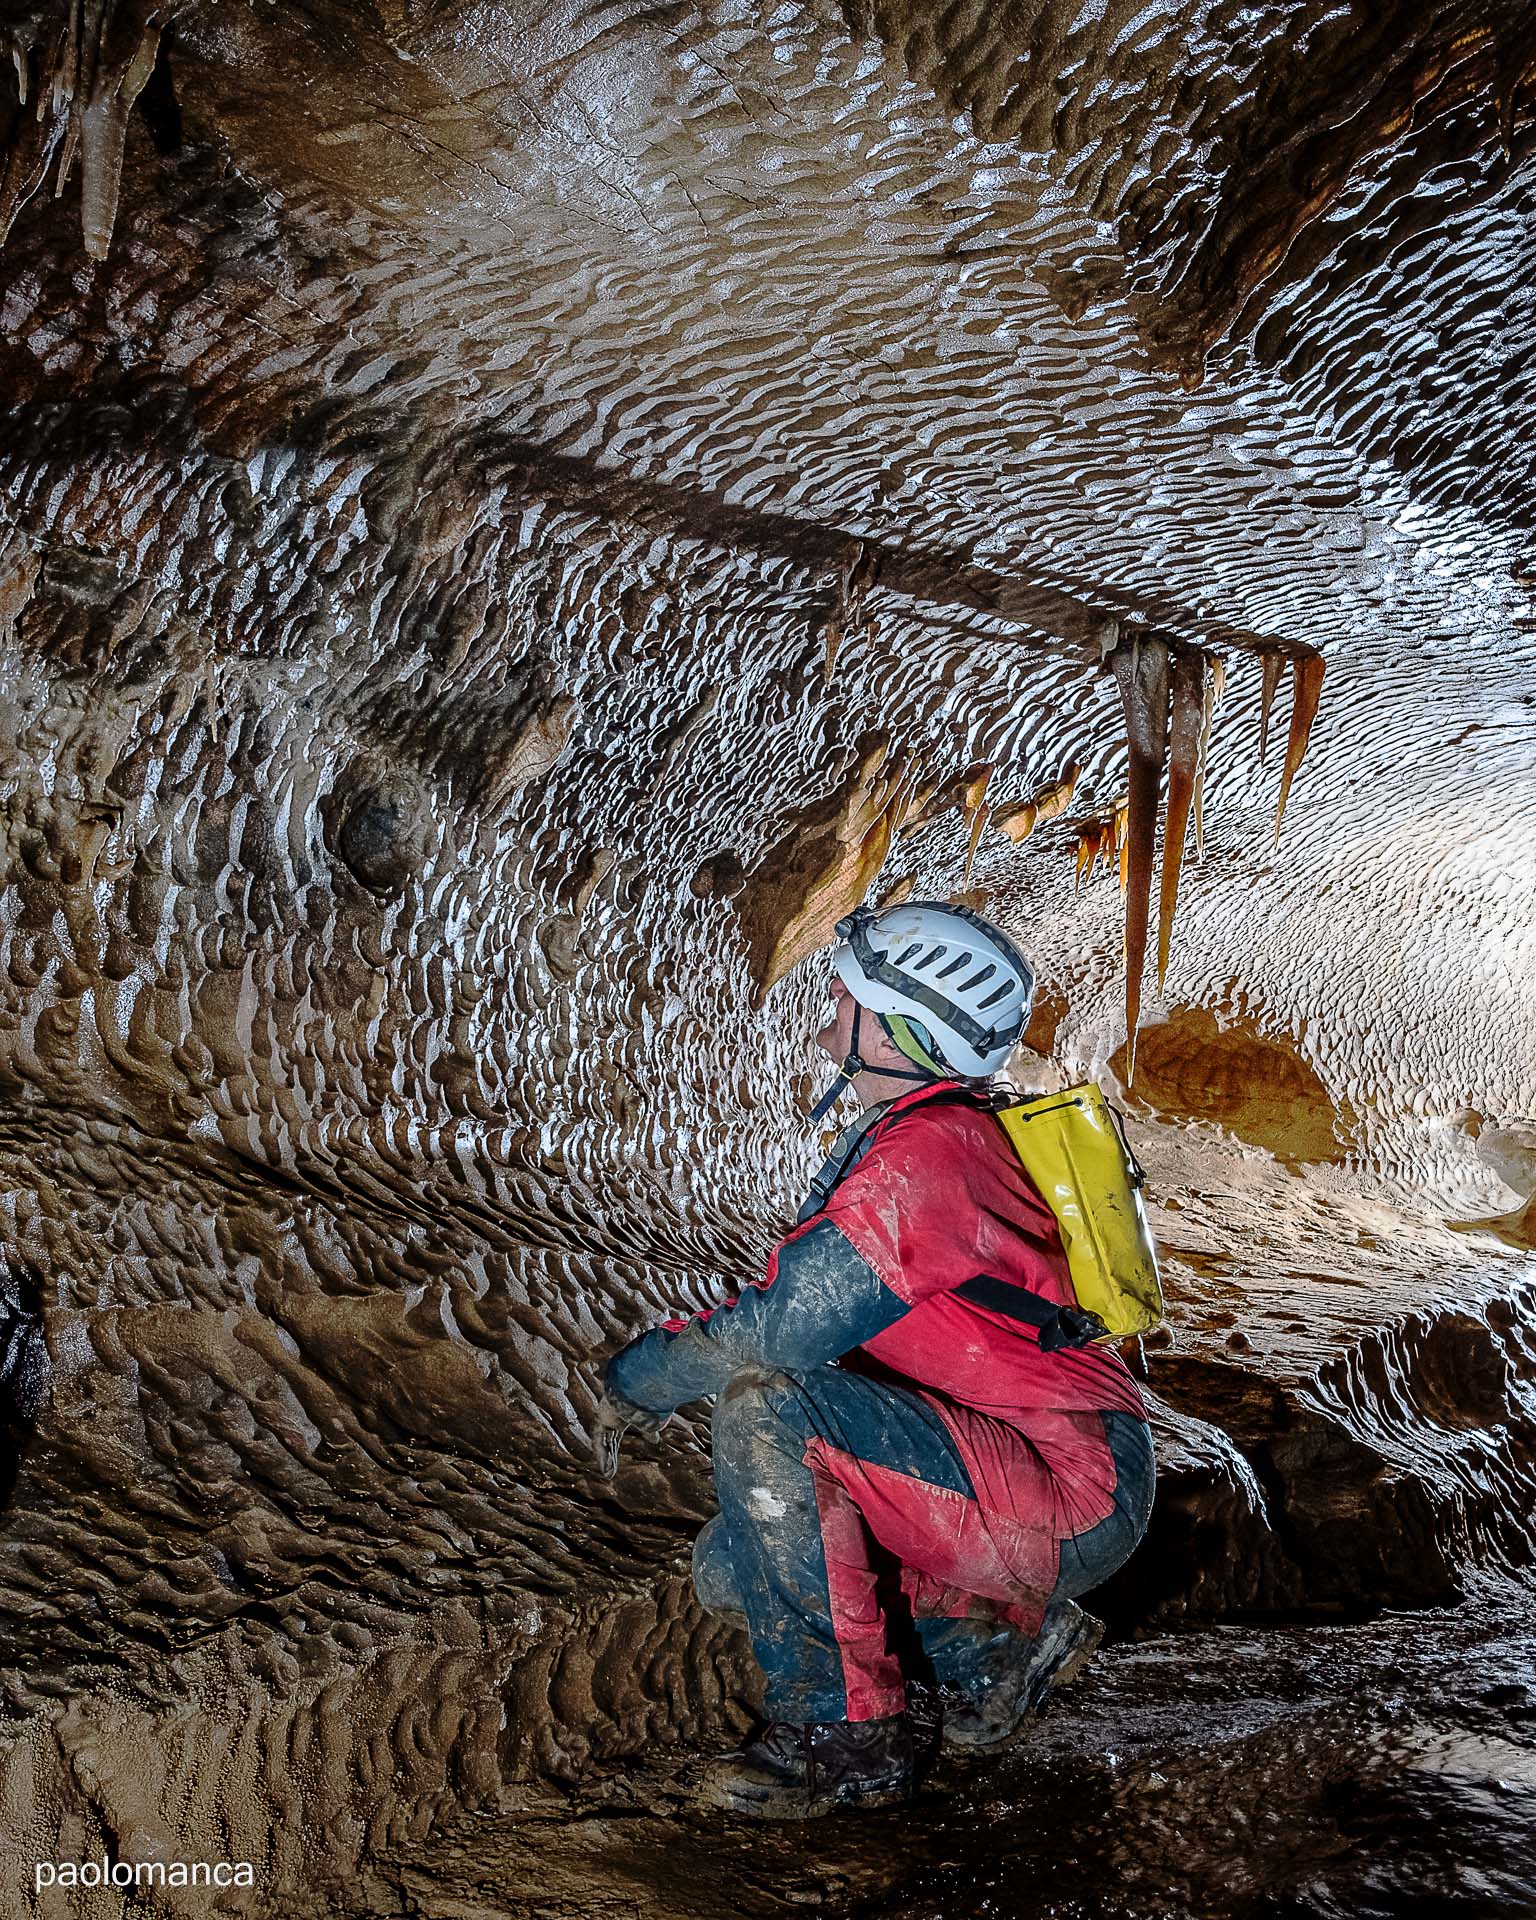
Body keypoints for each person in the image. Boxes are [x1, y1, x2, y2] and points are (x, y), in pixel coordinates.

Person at [595, 901, 1155, 1818]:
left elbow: (780, 1332)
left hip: (1065, 1489)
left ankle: (844, 1737)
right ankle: (999, 1654)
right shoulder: (943, 1133)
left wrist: (635, 1381)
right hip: (1031, 1465)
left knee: (767, 1406)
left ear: (905, 1030)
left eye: (846, 1001)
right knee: (738, 1566)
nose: (825, 1023)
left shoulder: (928, 1157)